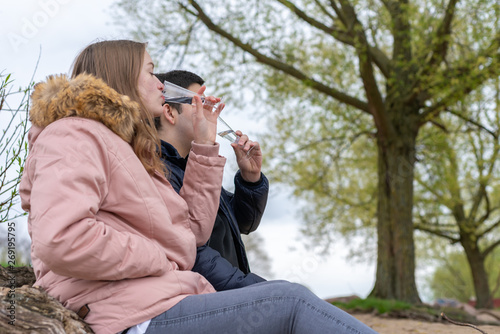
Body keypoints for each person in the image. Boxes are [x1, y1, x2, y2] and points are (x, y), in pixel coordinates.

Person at [20, 39, 378, 334]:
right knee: (290, 303)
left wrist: (206, 147)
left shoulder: (130, 151)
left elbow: (190, 233)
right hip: (131, 317)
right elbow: (62, 239)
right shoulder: (72, 134)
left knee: (287, 303)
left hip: (160, 303)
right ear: (123, 76)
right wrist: (158, 257)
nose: (160, 83)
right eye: (149, 71)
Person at [154, 70, 267, 286]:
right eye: (200, 103)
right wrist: (255, 290)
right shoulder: (158, 172)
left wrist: (250, 179)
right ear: (169, 112)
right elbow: (193, 252)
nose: (211, 112)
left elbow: (243, 223)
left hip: (231, 294)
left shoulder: (195, 166)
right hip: (210, 301)